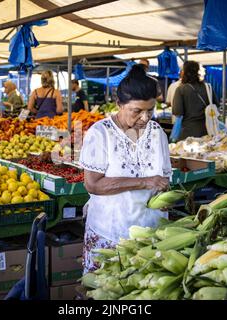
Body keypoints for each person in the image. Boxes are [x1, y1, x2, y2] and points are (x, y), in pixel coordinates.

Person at [79, 64, 172, 274]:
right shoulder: (100, 133)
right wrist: (145, 182)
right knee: (105, 291)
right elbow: (93, 184)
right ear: (119, 104)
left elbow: (164, 178)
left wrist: (166, 193)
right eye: (137, 111)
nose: (145, 118)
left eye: (150, 110)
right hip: (111, 231)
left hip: (150, 233)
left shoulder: (157, 133)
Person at [172, 60, 219, 140]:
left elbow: (177, 112)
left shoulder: (181, 89)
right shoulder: (208, 87)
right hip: (208, 130)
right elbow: (216, 105)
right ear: (198, 71)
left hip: (189, 132)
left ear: (184, 72)